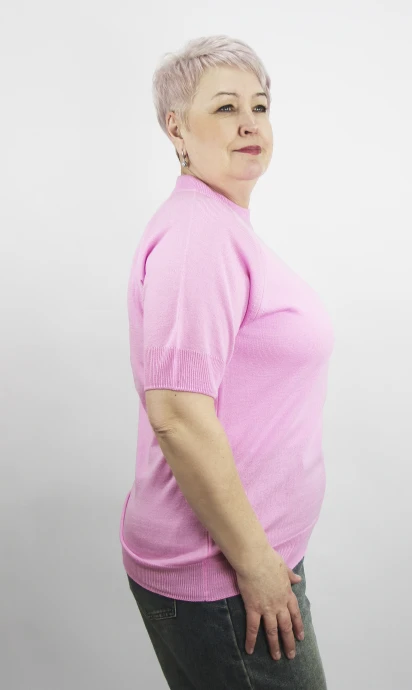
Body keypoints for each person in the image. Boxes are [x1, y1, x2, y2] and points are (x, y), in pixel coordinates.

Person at [120, 34, 334, 689]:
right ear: (176, 127)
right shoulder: (198, 236)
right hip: (226, 577)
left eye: (259, 106)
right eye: (225, 107)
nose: (249, 123)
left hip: (241, 566)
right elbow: (178, 416)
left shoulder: (218, 224)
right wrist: (256, 565)